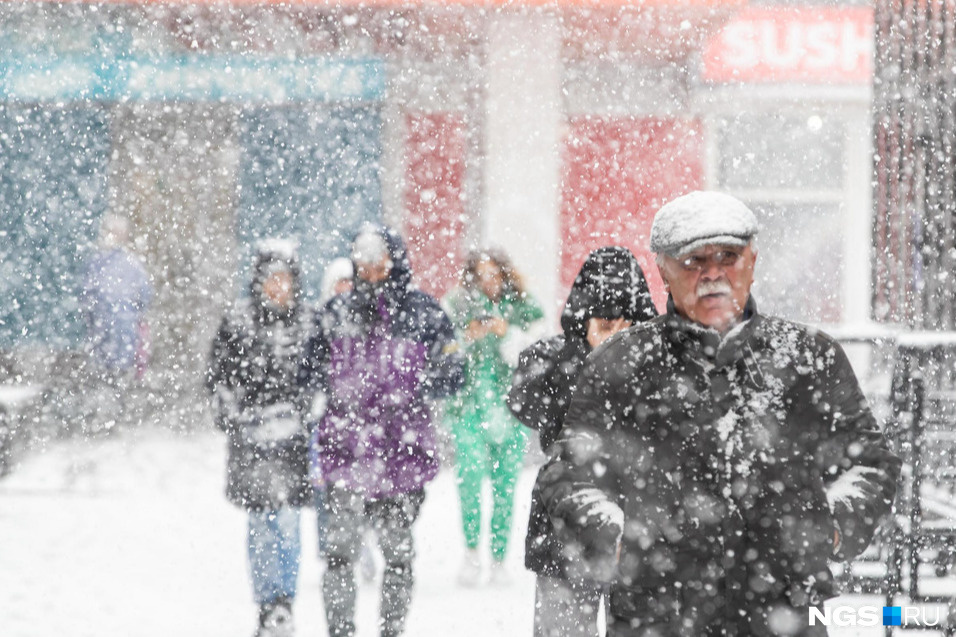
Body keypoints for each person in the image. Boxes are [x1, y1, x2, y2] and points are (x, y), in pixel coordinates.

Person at [539, 191, 901, 637]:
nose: (713, 274)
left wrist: (833, 528)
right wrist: (613, 539)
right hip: (655, 614)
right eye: (693, 261)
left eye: (728, 256)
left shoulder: (809, 358)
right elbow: (569, 473)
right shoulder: (620, 364)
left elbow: (870, 462)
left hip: (786, 611)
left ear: (753, 259)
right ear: (662, 271)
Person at [300, 224, 464, 637]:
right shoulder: (334, 314)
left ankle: (392, 629)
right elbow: (307, 372)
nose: (370, 270)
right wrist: (335, 392)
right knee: (338, 554)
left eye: (378, 261)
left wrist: (412, 387)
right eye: (363, 262)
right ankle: (341, 630)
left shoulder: (424, 313)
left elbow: (453, 370)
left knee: (398, 554)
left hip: (400, 453)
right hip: (346, 450)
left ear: (395, 261)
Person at [508, 246, 657, 636]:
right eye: (604, 324)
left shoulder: (660, 368)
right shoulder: (554, 364)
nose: (614, 335)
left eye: (624, 323)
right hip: (563, 529)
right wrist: (585, 360)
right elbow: (524, 403)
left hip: (639, 531)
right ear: (584, 319)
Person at [207, 239, 314, 637]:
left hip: (292, 438)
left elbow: (318, 374)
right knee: (260, 523)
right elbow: (218, 376)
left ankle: (283, 602)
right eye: (271, 279)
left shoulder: (307, 322)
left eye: (284, 279)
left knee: (286, 520)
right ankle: (267, 603)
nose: (278, 287)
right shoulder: (237, 322)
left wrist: (307, 412)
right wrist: (232, 413)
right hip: (250, 437)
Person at [442, 249, 545, 586]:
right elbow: (442, 351)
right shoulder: (456, 306)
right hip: (468, 406)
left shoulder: (524, 307)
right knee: (469, 477)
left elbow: (537, 352)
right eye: (481, 275)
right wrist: (465, 339)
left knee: (507, 485)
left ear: (504, 275)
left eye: (494, 275)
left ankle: (499, 558)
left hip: (511, 408)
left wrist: (507, 332)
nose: (488, 283)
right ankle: (471, 553)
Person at [80, 214, 152, 431]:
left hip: (105, 333)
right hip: (122, 333)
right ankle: (116, 418)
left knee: (106, 376)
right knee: (118, 376)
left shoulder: (97, 264)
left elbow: (86, 295)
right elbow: (145, 296)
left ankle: (106, 418)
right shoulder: (131, 265)